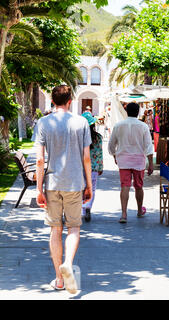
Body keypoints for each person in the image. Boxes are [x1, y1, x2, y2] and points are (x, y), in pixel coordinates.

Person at [35, 85, 92, 294]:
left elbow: (40, 159)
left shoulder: (43, 122)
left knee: (55, 229)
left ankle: (59, 279)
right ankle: (68, 262)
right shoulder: (82, 122)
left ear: (52, 100)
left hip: (52, 183)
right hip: (75, 183)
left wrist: (38, 189)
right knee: (73, 228)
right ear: (70, 101)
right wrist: (89, 185)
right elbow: (86, 157)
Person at [108, 102, 154, 224]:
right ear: (138, 112)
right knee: (139, 186)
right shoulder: (143, 126)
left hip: (123, 160)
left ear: (126, 111)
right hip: (139, 160)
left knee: (125, 186)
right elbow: (148, 146)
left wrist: (114, 156)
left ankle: (124, 214)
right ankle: (139, 210)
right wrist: (151, 163)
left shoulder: (118, 125)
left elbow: (111, 144)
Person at [81, 112, 103, 222]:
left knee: (80, 188)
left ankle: (82, 209)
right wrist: (100, 167)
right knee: (92, 189)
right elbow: (99, 153)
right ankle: (88, 206)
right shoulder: (98, 137)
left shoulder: (78, 137)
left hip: (80, 168)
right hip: (93, 168)